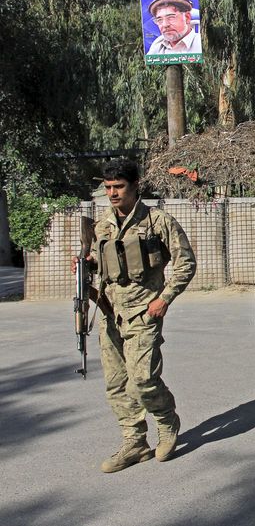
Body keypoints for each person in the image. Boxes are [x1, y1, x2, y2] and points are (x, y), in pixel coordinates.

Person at [71, 159, 196, 473]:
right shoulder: (101, 225)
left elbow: (186, 264)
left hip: (144, 310)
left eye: (119, 187)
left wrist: (165, 299)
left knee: (143, 379)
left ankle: (167, 424)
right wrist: (86, 264)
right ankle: (135, 442)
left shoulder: (158, 222)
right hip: (110, 311)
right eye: (108, 188)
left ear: (135, 186)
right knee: (116, 382)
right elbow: (103, 266)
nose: (112, 193)